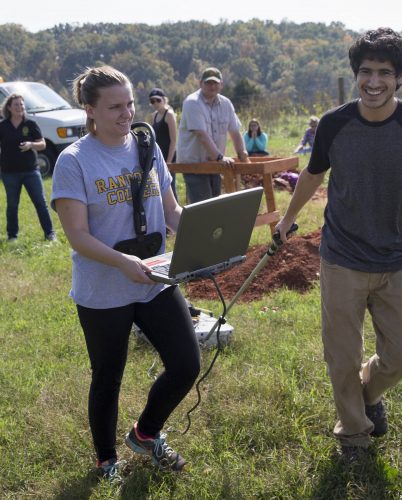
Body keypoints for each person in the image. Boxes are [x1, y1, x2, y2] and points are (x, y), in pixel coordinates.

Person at [276, 28, 402, 462]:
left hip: (396, 257)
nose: (373, 81)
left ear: (400, 78)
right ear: (355, 74)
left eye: (385, 72)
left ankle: (367, 392)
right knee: (341, 355)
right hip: (341, 257)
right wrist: (287, 219)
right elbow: (312, 174)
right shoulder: (334, 124)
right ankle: (354, 435)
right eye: (365, 72)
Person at [50, 66, 200, 482]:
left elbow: (170, 213)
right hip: (103, 290)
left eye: (130, 103)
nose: (126, 113)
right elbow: (77, 236)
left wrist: (208, 233)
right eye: (114, 106)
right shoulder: (73, 161)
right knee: (108, 376)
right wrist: (122, 264)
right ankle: (106, 460)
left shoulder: (146, 147)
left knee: (186, 364)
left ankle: (146, 434)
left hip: (155, 281)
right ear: (90, 110)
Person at [176, 67, 250, 203]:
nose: (212, 86)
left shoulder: (226, 104)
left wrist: (243, 156)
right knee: (202, 206)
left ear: (221, 85)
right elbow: (201, 134)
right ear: (200, 84)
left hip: (215, 165)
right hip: (194, 165)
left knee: (215, 204)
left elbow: (235, 132)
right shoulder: (192, 102)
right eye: (208, 83)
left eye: (215, 83)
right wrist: (220, 157)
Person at [0, 94, 56, 242]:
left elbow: (42, 144)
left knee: (40, 202)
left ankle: (50, 234)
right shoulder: (3, 126)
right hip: (9, 172)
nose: (20, 107)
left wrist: (31, 145)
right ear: (9, 108)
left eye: (22, 105)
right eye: (16, 105)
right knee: (12, 205)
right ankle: (12, 236)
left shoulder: (31, 124)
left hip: (31, 171)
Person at [149, 87, 178, 200]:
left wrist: (169, 162)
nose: (155, 103)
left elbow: (174, 140)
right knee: (158, 189)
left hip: (169, 156)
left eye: (158, 100)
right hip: (158, 156)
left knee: (171, 188)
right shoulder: (154, 116)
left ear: (164, 99)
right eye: (152, 101)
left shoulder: (169, 114)